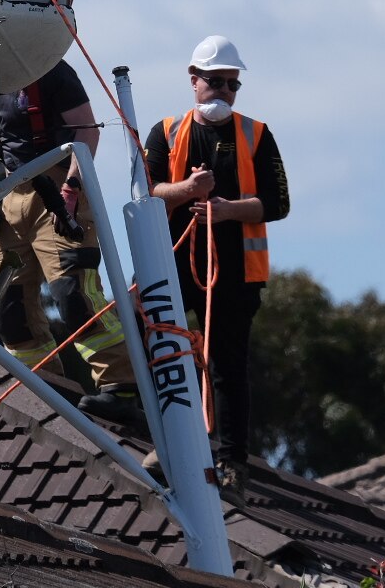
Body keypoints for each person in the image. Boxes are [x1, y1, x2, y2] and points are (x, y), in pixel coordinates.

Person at [144, 34, 289, 496]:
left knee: (228, 367)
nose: (225, 92)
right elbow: (146, 193)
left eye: (232, 84)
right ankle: (169, 445)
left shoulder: (257, 134)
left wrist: (227, 210)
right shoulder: (165, 132)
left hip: (235, 272)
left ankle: (232, 465)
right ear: (194, 82)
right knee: (165, 353)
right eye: (216, 82)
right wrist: (186, 189)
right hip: (175, 264)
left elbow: (278, 203)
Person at [0, 58, 140, 424]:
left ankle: (121, 386)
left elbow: (87, 133)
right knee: (9, 307)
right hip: (10, 194)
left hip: (58, 190)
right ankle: (43, 387)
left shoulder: (53, 70)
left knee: (72, 295)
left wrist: (72, 188)